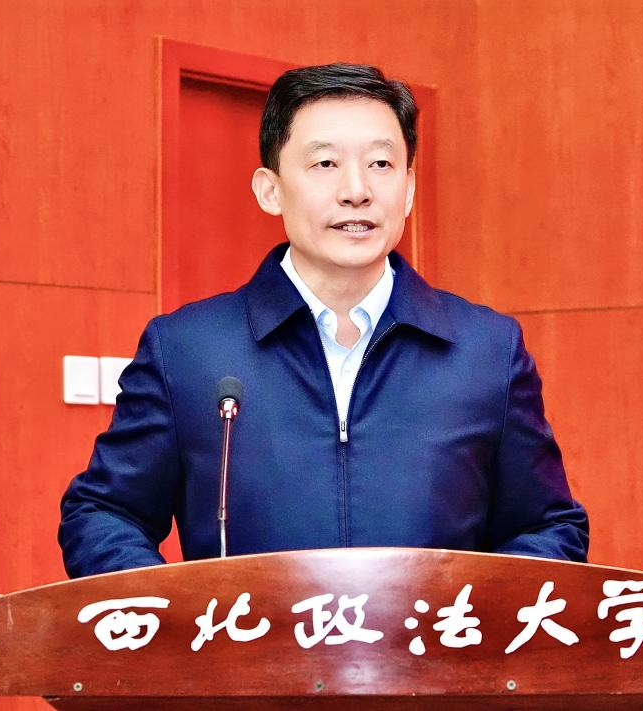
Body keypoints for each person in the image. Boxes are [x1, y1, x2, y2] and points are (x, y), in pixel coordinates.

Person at [59, 63, 588, 578]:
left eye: (381, 164)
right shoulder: (188, 350)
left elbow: (546, 526)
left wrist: (478, 619)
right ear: (270, 190)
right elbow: (105, 513)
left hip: (433, 642)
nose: (356, 189)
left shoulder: (485, 350)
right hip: (245, 640)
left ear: (407, 189)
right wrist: (181, 620)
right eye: (326, 164)